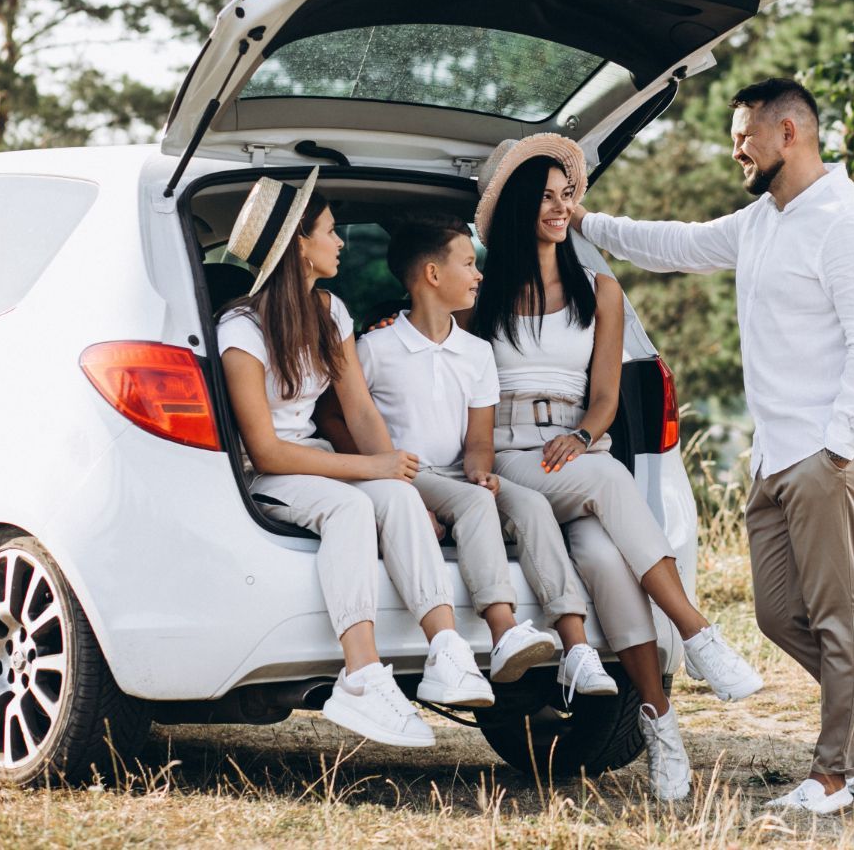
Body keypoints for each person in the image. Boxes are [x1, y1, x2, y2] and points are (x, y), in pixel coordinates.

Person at [570, 79, 854, 814]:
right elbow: (675, 244)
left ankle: (832, 775)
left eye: (745, 135)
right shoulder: (764, 220)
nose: (735, 148)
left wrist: (833, 454)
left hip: (838, 453)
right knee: (779, 615)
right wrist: (586, 221)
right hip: (780, 455)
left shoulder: (849, 225)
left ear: (790, 134)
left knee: (840, 617)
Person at [471, 133, 765, 803]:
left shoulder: (599, 290)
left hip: (576, 447)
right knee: (609, 480)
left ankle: (661, 728)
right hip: (515, 459)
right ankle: (698, 633)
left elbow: (605, 400)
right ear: (520, 207)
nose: (560, 207)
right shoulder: (481, 294)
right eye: (546, 198)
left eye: (566, 196)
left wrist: (581, 432)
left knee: (606, 561)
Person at [217, 169, 493, 751]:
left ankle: (446, 649)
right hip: (268, 475)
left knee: (395, 496)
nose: (340, 242)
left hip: (313, 461)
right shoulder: (239, 330)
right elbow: (265, 450)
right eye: (330, 231)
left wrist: (400, 481)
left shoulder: (331, 312)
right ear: (298, 244)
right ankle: (362, 677)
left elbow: (362, 414)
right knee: (350, 508)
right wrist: (371, 468)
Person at [344, 214, 619, 697]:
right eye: (469, 264)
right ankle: (502, 628)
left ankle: (576, 648)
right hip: (407, 474)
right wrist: (380, 472)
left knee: (529, 504)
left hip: (457, 474)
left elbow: (479, 440)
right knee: (474, 504)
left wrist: (480, 471)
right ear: (432, 275)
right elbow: (335, 416)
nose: (479, 275)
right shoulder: (376, 348)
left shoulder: (476, 352)